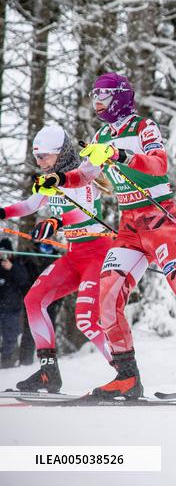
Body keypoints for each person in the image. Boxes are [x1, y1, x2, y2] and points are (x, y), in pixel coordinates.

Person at [35, 73, 176, 399]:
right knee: (108, 296)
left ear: (120, 97)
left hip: (160, 219)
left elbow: (158, 165)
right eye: (94, 96)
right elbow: (85, 175)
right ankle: (127, 376)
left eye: (104, 96)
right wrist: (59, 179)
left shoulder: (144, 127)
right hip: (129, 227)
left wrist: (118, 155)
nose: (97, 102)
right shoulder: (101, 135)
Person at [0, 126, 114, 391]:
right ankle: (48, 371)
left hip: (97, 253)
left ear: (61, 153)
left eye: (44, 156)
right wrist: (3, 212)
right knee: (34, 300)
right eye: (37, 157)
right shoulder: (50, 180)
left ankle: (126, 374)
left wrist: (56, 221)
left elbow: (85, 212)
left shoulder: (83, 175)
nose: (40, 162)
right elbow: (30, 205)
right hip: (74, 255)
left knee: (86, 319)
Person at [0, 240, 28, 368]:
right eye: (1, 252)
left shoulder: (16, 264)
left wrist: (11, 268)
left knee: (10, 337)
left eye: (6, 253)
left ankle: (7, 362)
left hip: (12, 309)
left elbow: (24, 279)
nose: (3, 256)